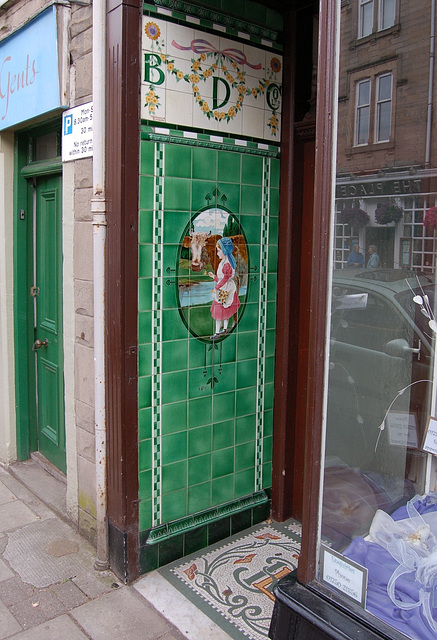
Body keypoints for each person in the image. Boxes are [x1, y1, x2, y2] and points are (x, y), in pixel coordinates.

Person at [208, 237, 240, 339]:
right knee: (226, 310)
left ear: (224, 251)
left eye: (218, 251)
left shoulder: (226, 265)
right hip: (227, 288)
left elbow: (225, 279)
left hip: (225, 291)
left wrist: (217, 287)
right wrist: (214, 277)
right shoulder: (225, 262)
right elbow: (223, 278)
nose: (217, 253)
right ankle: (225, 329)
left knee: (219, 311)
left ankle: (217, 332)